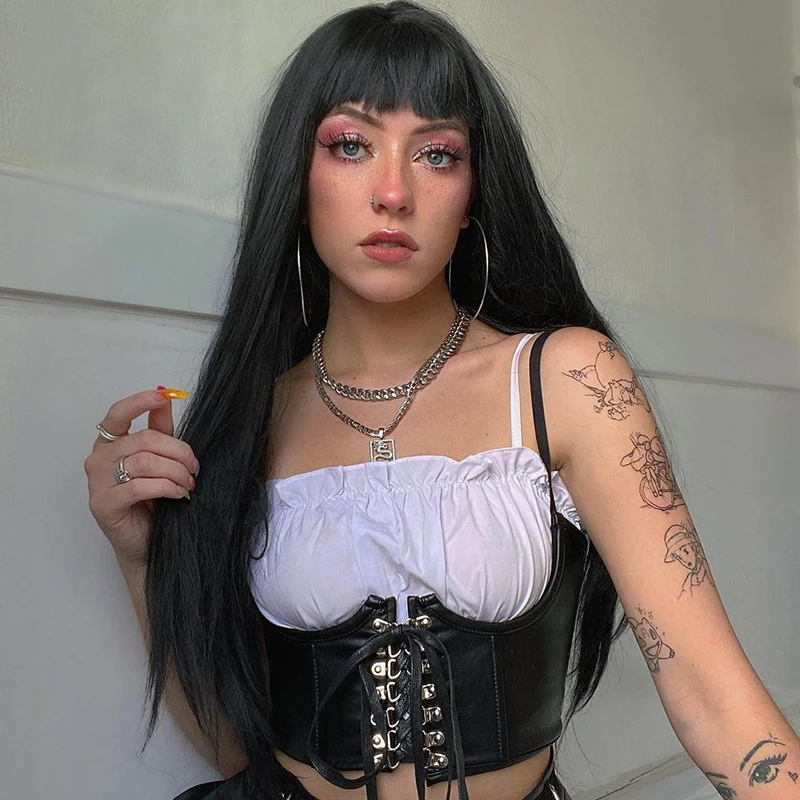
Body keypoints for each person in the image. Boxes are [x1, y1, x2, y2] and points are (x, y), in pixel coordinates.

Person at [83, 3, 800, 799]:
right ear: (299, 179)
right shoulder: (253, 415)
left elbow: (713, 697)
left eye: (436, 153)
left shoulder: (567, 380)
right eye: (351, 145)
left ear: (473, 193)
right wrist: (138, 556)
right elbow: (235, 749)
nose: (393, 192)